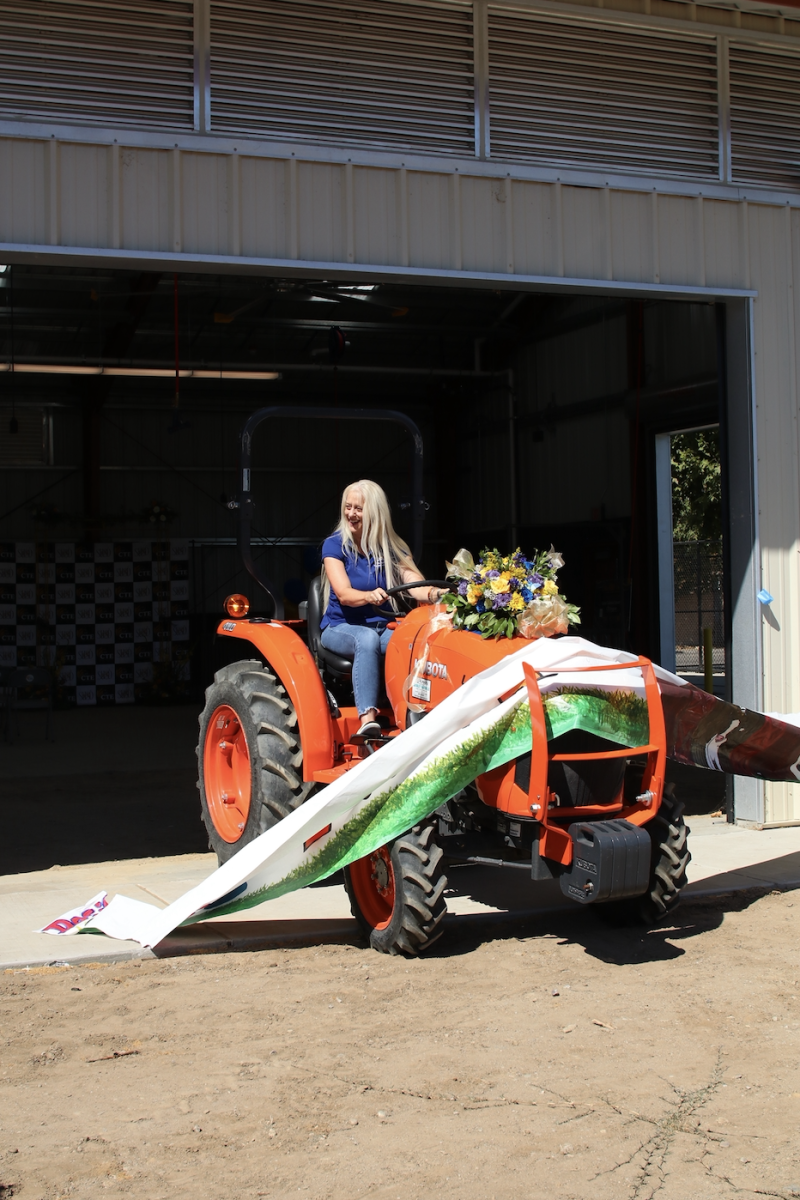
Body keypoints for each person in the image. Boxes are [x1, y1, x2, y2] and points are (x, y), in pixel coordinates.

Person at [320, 480, 443, 738]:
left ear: (374, 513)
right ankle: (368, 719)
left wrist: (435, 594)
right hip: (342, 627)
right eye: (348, 507)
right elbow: (344, 594)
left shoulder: (390, 547)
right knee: (366, 639)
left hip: (380, 625)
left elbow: (414, 583)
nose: (351, 514)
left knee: (415, 639)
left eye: (358, 509)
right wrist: (367, 596)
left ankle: (418, 712)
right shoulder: (334, 545)